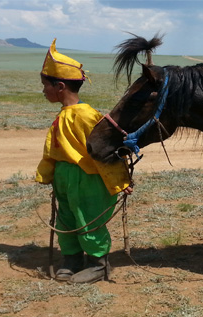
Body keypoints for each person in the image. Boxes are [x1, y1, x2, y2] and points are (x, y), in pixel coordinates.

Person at [36, 39, 132, 284]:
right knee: (66, 217)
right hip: (64, 177)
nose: (43, 91)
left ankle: (98, 264)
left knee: (88, 219)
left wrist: (121, 181)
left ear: (59, 86)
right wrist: (47, 173)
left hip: (88, 179)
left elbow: (106, 150)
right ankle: (72, 260)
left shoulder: (87, 115)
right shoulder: (62, 115)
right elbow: (53, 150)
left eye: (45, 85)